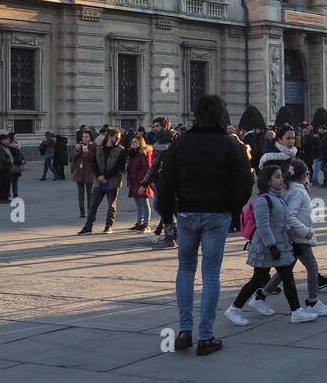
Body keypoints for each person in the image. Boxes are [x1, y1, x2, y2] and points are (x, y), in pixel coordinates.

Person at [155, 94, 254, 356]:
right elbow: (244, 183)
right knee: (211, 274)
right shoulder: (230, 145)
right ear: (221, 115)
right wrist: (233, 211)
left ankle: (185, 331)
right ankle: (206, 336)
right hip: (216, 215)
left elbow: (164, 184)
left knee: (185, 269)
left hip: (186, 214)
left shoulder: (181, 143)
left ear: (195, 114)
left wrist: (166, 217)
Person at [226, 162, 313, 324]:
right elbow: (263, 226)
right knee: (260, 279)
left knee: (284, 277)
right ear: (267, 180)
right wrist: (272, 246)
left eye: (281, 176)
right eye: (277, 177)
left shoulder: (276, 197)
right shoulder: (263, 200)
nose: (281, 180)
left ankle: (296, 311)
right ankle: (234, 309)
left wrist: (290, 240)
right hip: (268, 247)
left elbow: (281, 222)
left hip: (279, 245)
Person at [258, 159, 327, 317]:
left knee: (285, 270)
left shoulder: (290, 188)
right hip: (299, 237)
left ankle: (262, 295)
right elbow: (291, 216)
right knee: (312, 267)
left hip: (292, 235)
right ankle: (312, 301)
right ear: (302, 175)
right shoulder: (298, 191)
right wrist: (306, 231)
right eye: (307, 174)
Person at [79, 127, 126, 234]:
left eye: (119, 138)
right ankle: (88, 226)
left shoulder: (120, 150)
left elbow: (119, 166)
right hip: (99, 181)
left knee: (111, 206)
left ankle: (108, 226)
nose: (118, 140)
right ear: (109, 136)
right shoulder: (99, 148)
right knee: (93, 204)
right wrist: (99, 175)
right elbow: (93, 163)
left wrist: (106, 176)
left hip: (113, 181)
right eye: (116, 138)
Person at [126, 135, 154, 231]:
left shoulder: (144, 153)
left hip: (142, 181)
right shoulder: (133, 153)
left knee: (144, 203)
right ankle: (139, 222)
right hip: (133, 181)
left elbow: (147, 168)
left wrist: (142, 181)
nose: (133, 143)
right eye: (132, 142)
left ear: (141, 142)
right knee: (138, 203)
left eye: (136, 142)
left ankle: (146, 224)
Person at [71, 130, 97, 219]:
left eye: (86, 137)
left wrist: (87, 152)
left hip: (89, 173)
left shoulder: (93, 146)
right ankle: (82, 211)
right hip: (79, 172)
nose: (84, 138)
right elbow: (73, 158)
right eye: (83, 137)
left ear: (90, 137)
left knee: (90, 193)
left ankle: (90, 211)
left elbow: (94, 158)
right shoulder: (79, 145)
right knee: (80, 193)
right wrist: (77, 150)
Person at [0, 134, 16, 203]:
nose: (9, 140)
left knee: (7, 184)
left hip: (7, 168)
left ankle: (6, 197)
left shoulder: (5, 147)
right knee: (3, 184)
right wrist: (11, 161)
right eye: (7, 139)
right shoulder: (0, 148)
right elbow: (2, 159)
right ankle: (1, 198)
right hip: (2, 168)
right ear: (2, 140)